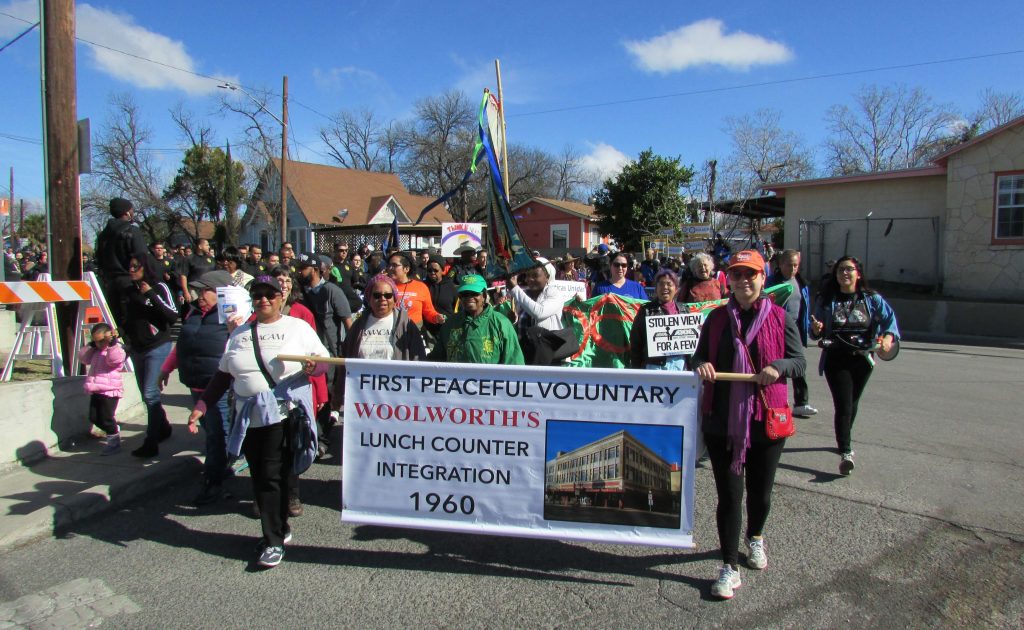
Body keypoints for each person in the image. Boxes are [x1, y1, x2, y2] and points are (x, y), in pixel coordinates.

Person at [190, 276, 329, 568]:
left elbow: (324, 362)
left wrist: (314, 366)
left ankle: (273, 540)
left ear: (281, 297)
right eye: (258, 295)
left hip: (283, 414)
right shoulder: (240, 333)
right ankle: (280, 527)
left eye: (270, 294)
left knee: (270, 477)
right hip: (248, 418)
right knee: (264, 477)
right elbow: (223, 375)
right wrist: (202, 405)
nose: (264, 299)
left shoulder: (297, 328)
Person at [690, 249, 805, 600]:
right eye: (737, 275)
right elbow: (697, 356)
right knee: (729, 496)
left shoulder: (780, 317)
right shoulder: (716, 319)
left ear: (762, 277)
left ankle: (755, 537)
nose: (743, 281)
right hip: (722, 420)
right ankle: (729, 566)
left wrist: (778, 368)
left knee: (761, 494)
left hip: (766, 417)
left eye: (750, 274)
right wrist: (702, 366)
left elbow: (799, 362)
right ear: (730, 280)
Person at [810, 256, 899, 476]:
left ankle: (843, 437)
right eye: (840, 270)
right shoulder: (827, 299)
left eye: (849, 269)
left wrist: (888, 338)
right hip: (836, 358)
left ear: (858, 272)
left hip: (863, 359)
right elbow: (813, 331)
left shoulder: (871, 298)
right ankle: (846, 452)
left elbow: (890, 322)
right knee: (843, 405)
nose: (845, 274)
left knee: (853, 402)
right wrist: (817, 328)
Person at [159, 269, 233, 504]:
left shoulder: (230, 317)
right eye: (199, 290)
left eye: (205, 290)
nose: (199, 295)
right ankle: (224, 465)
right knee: (213, 432)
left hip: (218, 386)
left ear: (221, 293)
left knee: (217, 434)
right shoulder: (192, 312)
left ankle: (214, 482)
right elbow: (183, 344)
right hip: (196, 384)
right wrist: (166, 369)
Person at [123, 254, 180, 458]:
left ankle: (151, 441)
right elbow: (127, 319)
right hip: (138, 348)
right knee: (146, 395)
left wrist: (151, 295)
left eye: (135, 266)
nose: (131, 270)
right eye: (129, 266)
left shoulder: (159, 287)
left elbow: (173, 316)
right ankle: (163, 427)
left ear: (145, 267)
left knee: (150, 393)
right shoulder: (129, 291)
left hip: (158, 346)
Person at [766, 250, 817, 418]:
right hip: (775, 329)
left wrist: (808, 326)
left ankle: (801, 402)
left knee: (798, 364)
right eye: (789, 265)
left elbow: (803, 307)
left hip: (794, 329)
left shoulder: (801, 283)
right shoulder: (771, 283)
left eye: (796, 265)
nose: (793, 268)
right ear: (780, 265)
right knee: (774, 365)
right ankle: (772, 401)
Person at [429, 274, 524, 365]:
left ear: (484, 296)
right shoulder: (450, 324)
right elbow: (435, 361)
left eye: (474, 293)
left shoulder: (502, 323)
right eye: (465, 294)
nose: (469, 298)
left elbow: (514, 363)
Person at [340, 274, 427, 364]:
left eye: (388, 295)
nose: (382, 299)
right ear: (369, 298)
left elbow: (419, 361)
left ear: (394, 298)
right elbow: (346, 358)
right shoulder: (358, 326)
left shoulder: (406, 325)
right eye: (377, 295)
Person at [94, 198, 150, 330]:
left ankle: (118, 348)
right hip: (130, 283)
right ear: (127, 212)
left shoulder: (102, 236)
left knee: (116, 322)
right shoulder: (131, 231)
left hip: (110, 284)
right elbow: (141, 257)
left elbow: (99, 259)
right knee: (135, 323)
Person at [79, 323, 127, 456]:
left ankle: (113, 441)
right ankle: (113, 429)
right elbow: (83, 358)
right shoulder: (95, 351)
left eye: (101, 341)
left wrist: (111, 344)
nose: (99, 344)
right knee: (94, 417)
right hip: (96, 389)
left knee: (106, 417)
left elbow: (115, 360)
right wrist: (91, 345)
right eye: (96, 341)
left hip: (110, 390)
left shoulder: (115, 349)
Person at [629, 269, 688, 371]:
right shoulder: (646, 311)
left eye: (669, 284)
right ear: (656, 289)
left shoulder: (684, 310)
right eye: (661, 284)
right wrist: (636, 370)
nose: (665, 287)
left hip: (680, 365)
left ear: (676, 288)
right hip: (655, 366)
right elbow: (636, 343)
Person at [387, 252, 445, 329]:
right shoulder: (384, 286)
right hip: (389, 331)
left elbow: (428, 311)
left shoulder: (421, 287)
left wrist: (436, 317)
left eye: (394, 265)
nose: (390, 268)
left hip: (414, 332)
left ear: (406, 269)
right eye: (389, 265)